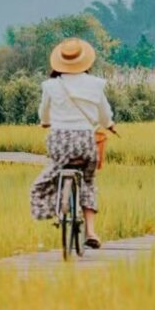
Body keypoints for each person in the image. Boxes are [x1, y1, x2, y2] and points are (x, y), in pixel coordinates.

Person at [29, 37, 115, 248]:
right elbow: (104, 114)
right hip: (85, 141)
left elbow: (44, 112)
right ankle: (91, 232)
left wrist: (45, 122)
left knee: (52, 173)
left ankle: (58, 207)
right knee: (88, 181)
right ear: (85, 61)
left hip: (59, 142)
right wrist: (109, 124)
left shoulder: (50, 85)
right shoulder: (95, 85)